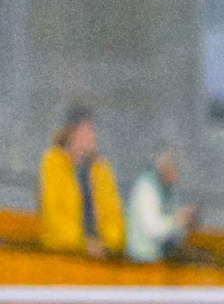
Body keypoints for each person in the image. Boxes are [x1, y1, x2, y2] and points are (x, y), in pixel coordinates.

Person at [38, 107, 126, 259]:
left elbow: (114, 216)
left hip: (101, 255)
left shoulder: (101, 169)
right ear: (72, 132)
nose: (93, 136)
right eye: (87, 130)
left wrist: (108, 244)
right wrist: (85, 245)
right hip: (63, 255)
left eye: (93, 130)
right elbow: (56, 218)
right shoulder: (53, 163)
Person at [124, 148, 198, 264]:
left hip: (160, 256)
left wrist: (186, 222)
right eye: (175, 168)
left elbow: (173, 227)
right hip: (142, 260)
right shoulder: (147, 188)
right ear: (165, 168)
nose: (178, 174)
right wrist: (178, 220)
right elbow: (153, 229)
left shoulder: (167, 188)